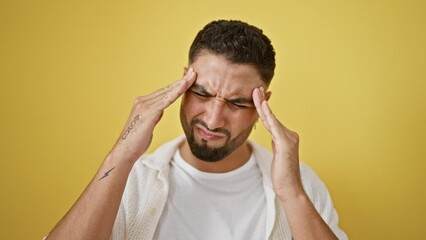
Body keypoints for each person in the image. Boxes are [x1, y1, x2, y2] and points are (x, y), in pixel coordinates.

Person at [46, 20, 347, 240]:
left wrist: (291, 193)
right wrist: (120, 156)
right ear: (184, 83)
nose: (213, 120)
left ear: (262, 104)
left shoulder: (301, 186)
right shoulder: (132, 180)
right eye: (202, 94)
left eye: (238, 103)